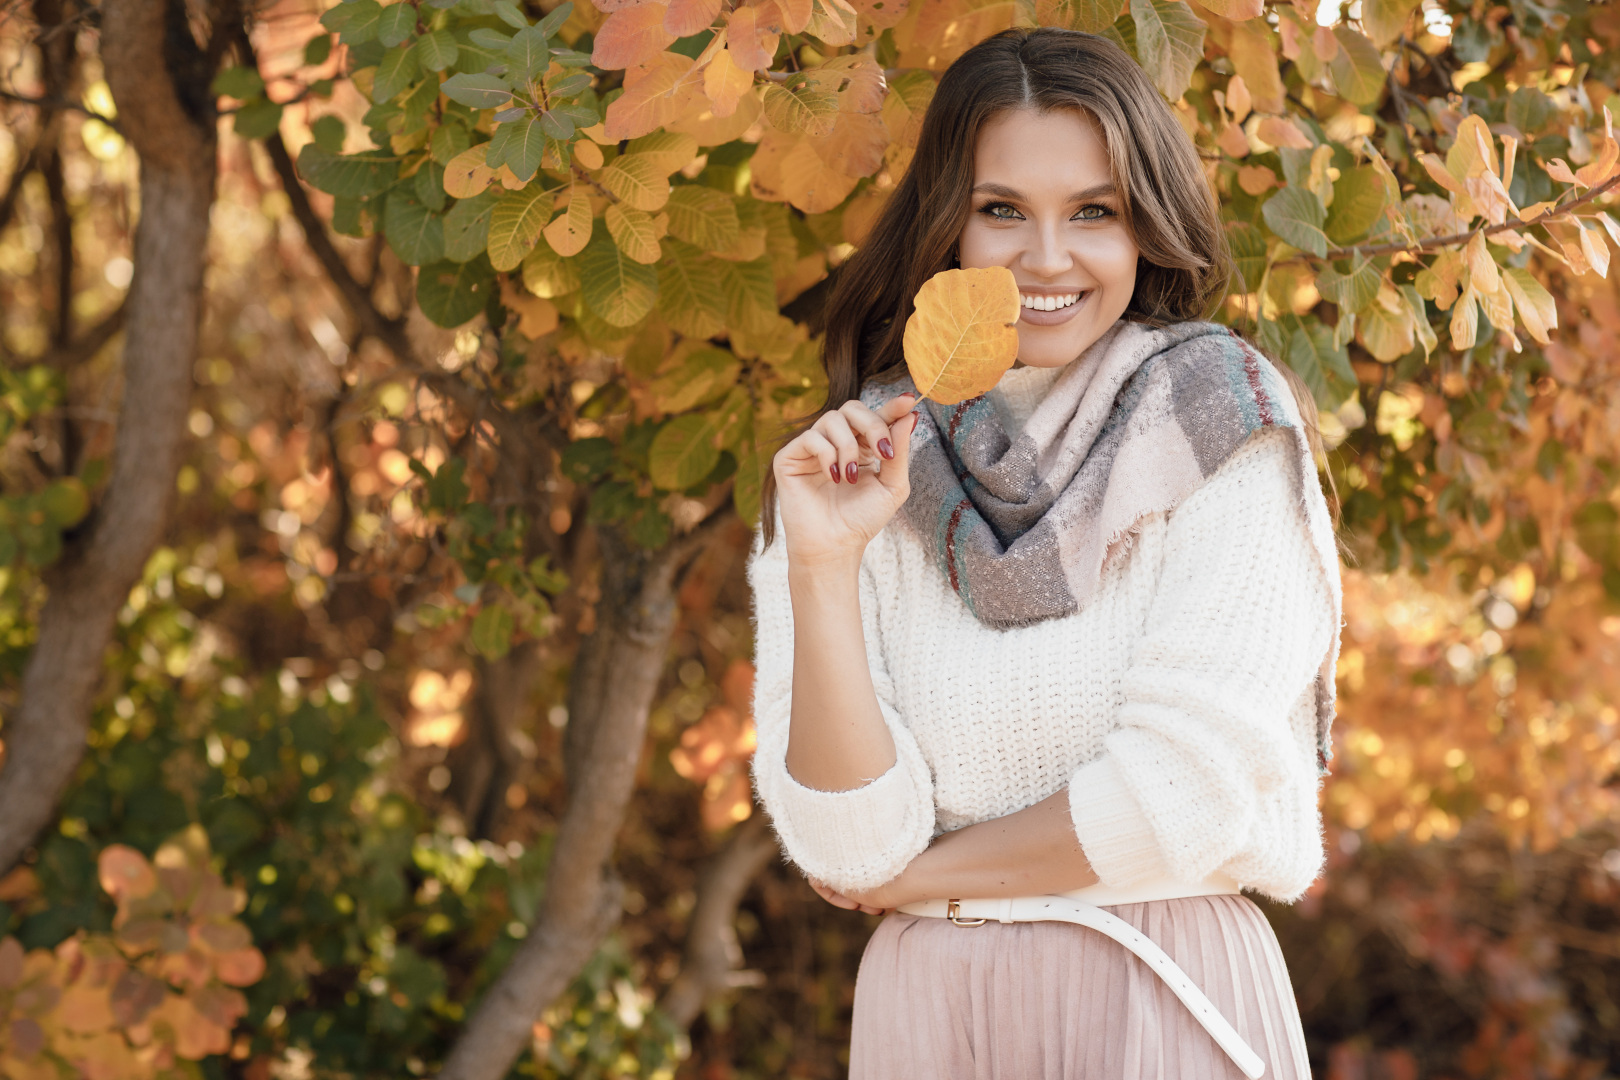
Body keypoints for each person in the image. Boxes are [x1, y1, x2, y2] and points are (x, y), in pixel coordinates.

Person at [747, 26, 1342, 1080]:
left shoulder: (1222, 424)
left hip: (1154, 982)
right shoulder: (859, 460)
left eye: (1095, 213)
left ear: (1146, 227)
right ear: (950, 228)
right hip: (925, 1011)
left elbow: (1186, 794)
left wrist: (911, 884)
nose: (1049, 257)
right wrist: (823, 566)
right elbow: (844, 846)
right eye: (1002, 210)